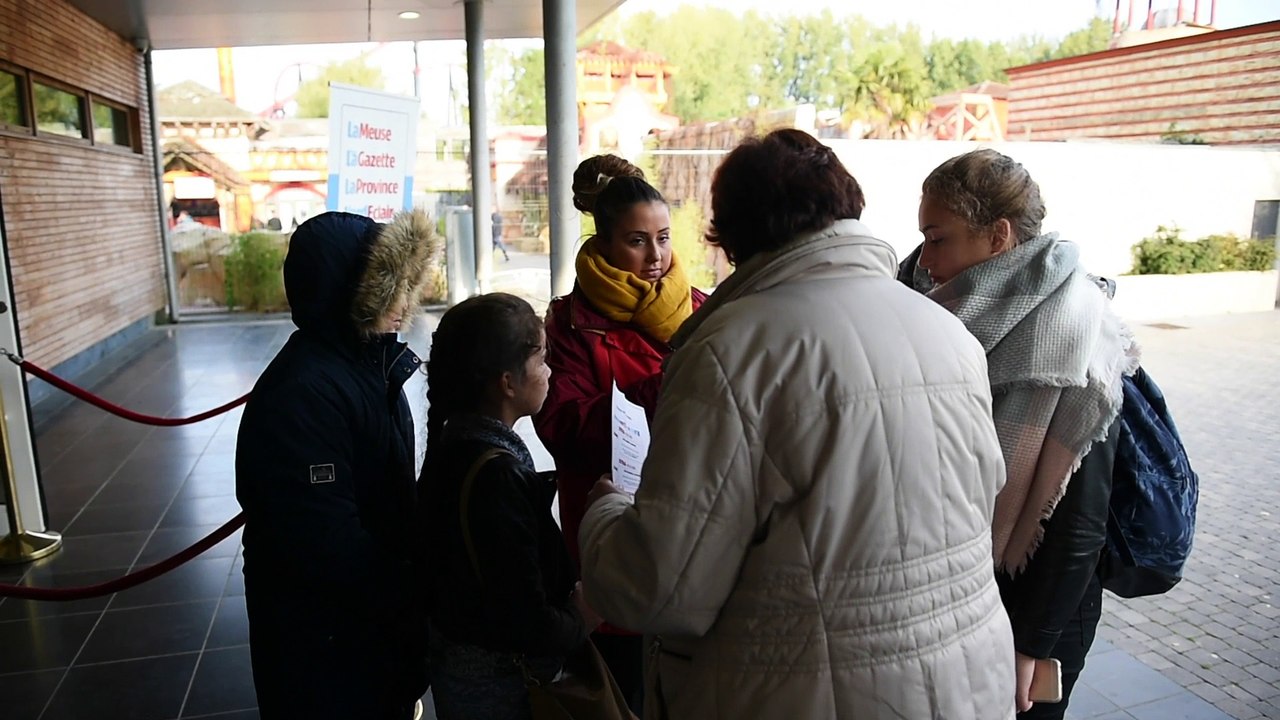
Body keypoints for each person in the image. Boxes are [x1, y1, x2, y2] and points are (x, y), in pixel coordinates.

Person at [576, 129, 1015, 719]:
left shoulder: (733, 351)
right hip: (967, 684)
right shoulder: (947, 332)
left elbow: (661, 588)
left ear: (733, 238)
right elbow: (983, 494)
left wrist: (603, 516)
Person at [902, 148, 1139, 719]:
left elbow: (1079, 518)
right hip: (958, 583)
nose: (924, 259)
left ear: (998, 236)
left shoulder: (1080, 331)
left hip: (1037, 605)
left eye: (938, 239)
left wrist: (1031, 643)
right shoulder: (930, 308)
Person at [235, 209, 438, 719]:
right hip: (326, 650)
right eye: (388, 283)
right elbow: (325, 544)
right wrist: (417, 595)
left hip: (368, 635)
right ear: (348, 292)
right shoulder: (304, 395)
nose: (402, 297)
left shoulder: (369, 363)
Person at [532, 153, 706, 711]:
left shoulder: (701, 308)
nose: (655, 257)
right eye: (636, 241)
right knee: (624, 692)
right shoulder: (569, 324)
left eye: (662, 238)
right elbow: (560, 425)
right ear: (603, 242)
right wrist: (664, 389)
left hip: (696, 524)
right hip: (611, 524)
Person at [420, 293, 600, 720]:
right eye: (541, 361)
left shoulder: (454, 446)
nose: (550, 372)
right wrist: (581, 617)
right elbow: (523, 617)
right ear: (507, 382)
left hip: (462, 680)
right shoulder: (495, 476)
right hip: (500, 692)